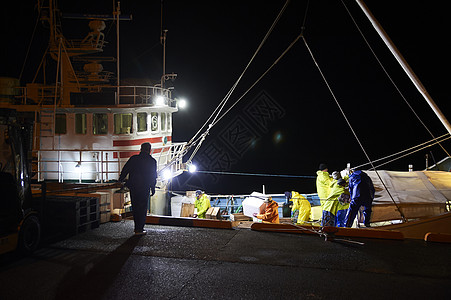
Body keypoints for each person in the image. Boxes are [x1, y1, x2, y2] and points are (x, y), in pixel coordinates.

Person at [119, 142, 157, 235]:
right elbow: (153, 176)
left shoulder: (134, 158)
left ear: (140, 149)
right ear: (149, 150)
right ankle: (140, 228)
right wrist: (153, 187)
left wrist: (120, 180)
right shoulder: (152, 161)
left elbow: (125, 169)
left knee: (135, 207)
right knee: (142, 208)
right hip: (144, 187)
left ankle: (136, 228)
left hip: (134, 186)